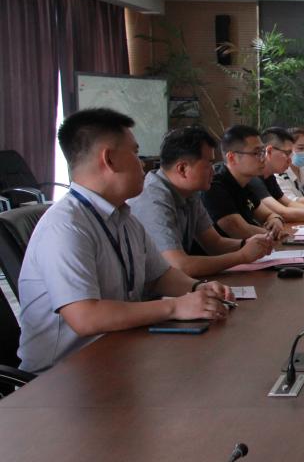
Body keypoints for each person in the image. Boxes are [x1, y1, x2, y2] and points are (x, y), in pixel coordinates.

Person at [17, 109, 233, 373]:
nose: (143, 165)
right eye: (135, 153)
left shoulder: (124, 217)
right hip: (61, 375)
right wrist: (175, 307)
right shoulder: (65, 226)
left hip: (118, 354)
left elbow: (159, 276)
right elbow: (86, 317)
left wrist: (199, 287)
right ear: (109, 159)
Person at [128, 126, 274, 277]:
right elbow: (180, 266)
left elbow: (214, 243)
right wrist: (241, 256)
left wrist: (247, 244)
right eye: (208, 164)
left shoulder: (189, 193)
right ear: (182, 169)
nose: (213, 170)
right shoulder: (153, 201)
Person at [201, 124, 286, 239]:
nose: (264, 158)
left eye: (263, 151)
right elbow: (239, 230)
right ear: (232, 157)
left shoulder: (246, 182)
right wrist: (273, 233)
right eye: (256, 153)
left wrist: (276, 219)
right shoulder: (214, 185)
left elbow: (268, 214)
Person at [250, 127, 304, 224]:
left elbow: (290, 204)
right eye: (287, 153)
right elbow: (283, 212)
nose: (290, 159)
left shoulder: (269, 177)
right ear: (269, 151)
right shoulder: (253, 179)